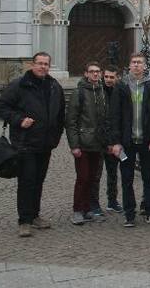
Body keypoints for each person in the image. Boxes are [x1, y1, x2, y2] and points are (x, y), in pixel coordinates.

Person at [0, 52, 65, 237]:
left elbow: (60, 115)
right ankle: (24, 221)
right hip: (25, 143)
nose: (43, 67)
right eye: (40, 63)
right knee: (27, 181)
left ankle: (34, 215)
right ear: (32, 64)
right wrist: (18, 120)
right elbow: (1, 106)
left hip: (45, 144)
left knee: (38, 181)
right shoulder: (19, 85)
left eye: (46, 64)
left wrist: (56, 136)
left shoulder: (54, 86)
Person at [109, 53, 150, 227]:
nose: (137, 65)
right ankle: (129, 213)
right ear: (129, 65)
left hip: (147, 140)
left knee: (148, 178)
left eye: (140, 62)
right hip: (127, 140)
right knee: (127, 179)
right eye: (134, 62)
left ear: (145, 65)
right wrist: (116, 141)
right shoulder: (121, 86)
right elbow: (115, 116)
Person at [66, 61, 111, 225]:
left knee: (93, 178)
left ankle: (87, 209)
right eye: (92, 71)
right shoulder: (79, 92)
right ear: (86, 73)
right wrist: (74, 145)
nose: (95, 74)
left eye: (98, 71)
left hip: (98, 143)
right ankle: (77, 210)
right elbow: (71, 121)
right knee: (82, 178)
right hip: (83, 143)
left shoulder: (102, 92)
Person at [92, 65, 121, 214]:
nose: (109, 80)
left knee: (113, 173)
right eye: (107, 77)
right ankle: (94, 203)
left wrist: (114, 141)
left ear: (117, 78)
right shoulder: (98, 92)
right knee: (96, 174)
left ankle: (112, 200)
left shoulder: (120, 91)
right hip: (99, 141)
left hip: (115, 141)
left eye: (112, 77)